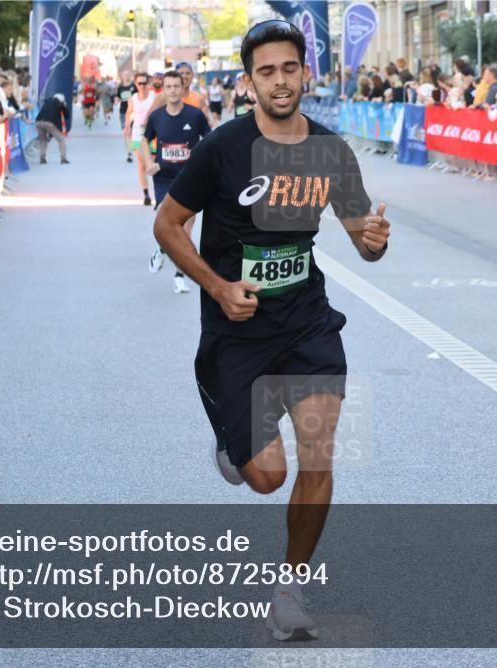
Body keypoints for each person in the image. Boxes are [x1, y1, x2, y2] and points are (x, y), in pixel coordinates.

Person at [152, 19, 390, 641]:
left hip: (307, 321)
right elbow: (168, 225)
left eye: (289, 68)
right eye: (266, 71)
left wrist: (372, 242)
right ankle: (234, 441)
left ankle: (288, 591)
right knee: (266, 477)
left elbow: (363, 239)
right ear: (250, 80)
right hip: (236, 331)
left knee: (320, 451)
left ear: (304, 73)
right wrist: (218, 286)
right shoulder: (224, 148)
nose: (280, 81)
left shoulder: (330, 149)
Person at [142, 70, 211, 293]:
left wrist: (202, 163)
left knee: (185, 228)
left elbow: (209, 140)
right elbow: (144, 140)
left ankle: (179, 276)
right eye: (168, 87)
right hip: (164, 177)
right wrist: (148, 162)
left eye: (176, 86)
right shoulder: (157, 116)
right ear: (164, 89)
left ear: (183, 89)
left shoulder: (195, 115)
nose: (172, 90)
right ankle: (161, 249)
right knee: (165, 217)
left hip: (188, 177)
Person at [124, 72, 155, 205]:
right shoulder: (133, 99)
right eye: (139, 83)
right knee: (142, 163)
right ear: (136, 84)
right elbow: (129, 112)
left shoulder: (154, 97)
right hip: (137, 135)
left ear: (148, 84)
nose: (142, 86)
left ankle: (159, 190)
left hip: (153, 135)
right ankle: (146, 194)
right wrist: (127, 127)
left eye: (144, 83)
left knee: (152, 163)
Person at [35, 92, 69, 165]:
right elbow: (67, 116)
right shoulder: (60, 103)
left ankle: (42, 158)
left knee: (43, 139)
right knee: (61, 139)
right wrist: (65, 106)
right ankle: (63, 158)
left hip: (39, 121)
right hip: (49, 122)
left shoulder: (47, 102)